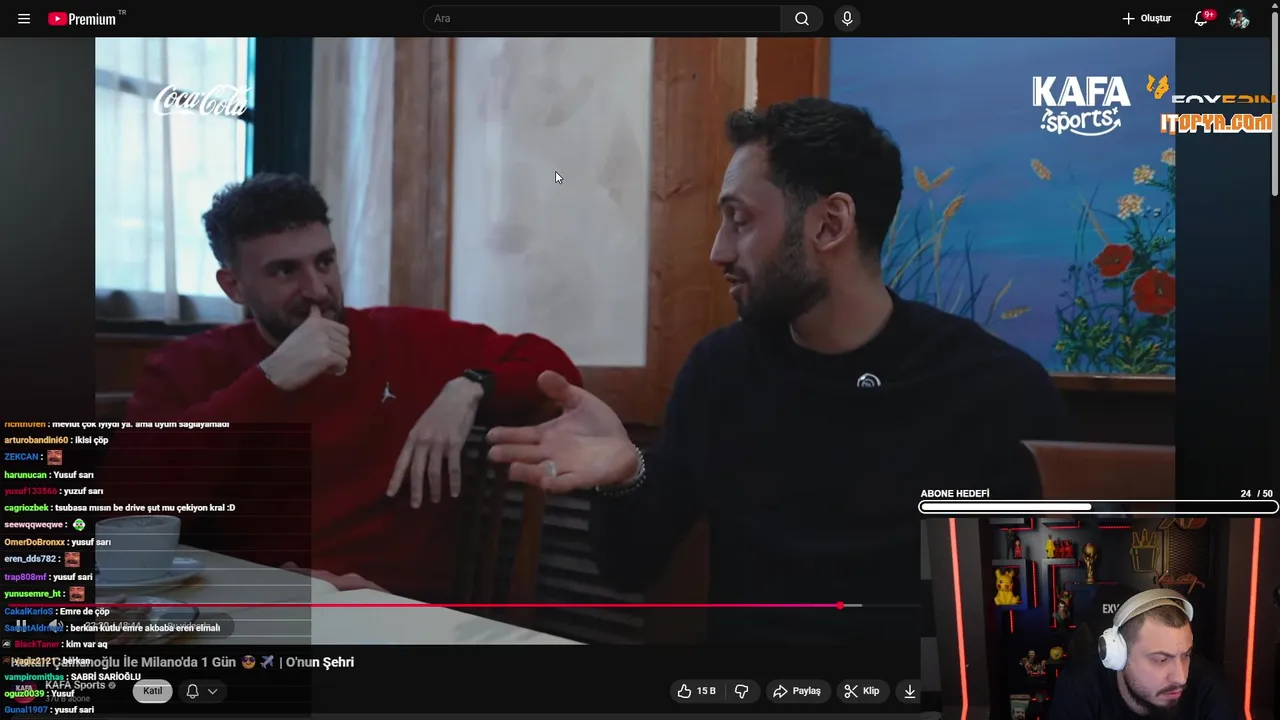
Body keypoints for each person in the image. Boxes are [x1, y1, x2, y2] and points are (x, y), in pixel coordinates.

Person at [487, 99, 1071, 643]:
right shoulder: (720, 373)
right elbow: (629, 567)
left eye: (739, 220)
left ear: (829, 224)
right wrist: (623, 478)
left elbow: (1043, 630)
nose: (718, 251)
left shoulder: (996, 395)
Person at [122, 173, 580, 600]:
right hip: (249, 607)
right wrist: (267, 381)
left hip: (396, 615)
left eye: (325, 262)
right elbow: (129, 510)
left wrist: (471, 386)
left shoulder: (405, 337)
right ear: (234, 286)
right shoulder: (186, 366)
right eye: (284, 271)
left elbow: (556, 371)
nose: (318, 289)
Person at [1050, 589, 1241, 719]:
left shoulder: (1210, 686)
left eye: (1186, 655)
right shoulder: (1079, 688)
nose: (1181, 678)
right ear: (1119, 656)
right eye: (1161, 659)